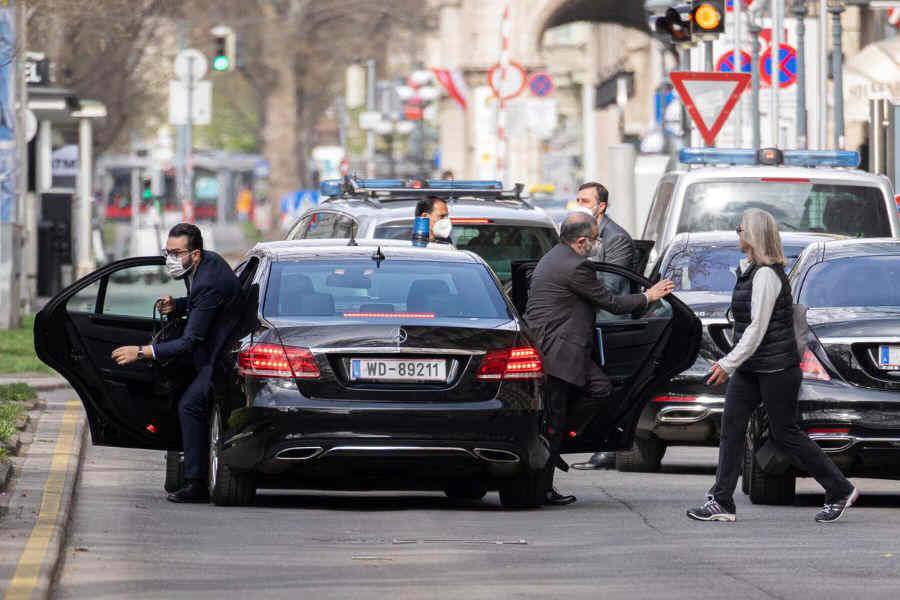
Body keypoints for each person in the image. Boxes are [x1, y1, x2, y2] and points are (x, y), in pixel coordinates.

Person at [686, 209, 858, 523]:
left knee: (785, 433)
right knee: (731, 429)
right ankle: (721, 501)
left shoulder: (766, 274)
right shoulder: (750, 270)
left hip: (777, 368)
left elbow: (757, 328)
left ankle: (840, 489)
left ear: (752, 234)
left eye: (740, 229)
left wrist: (728, 363)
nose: (737, 234)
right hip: (753, 367)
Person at [525, 212, 674, 505]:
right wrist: (649, 296)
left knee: (596, 391)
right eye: (595, 239)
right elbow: (612, 303)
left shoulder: (553, 257)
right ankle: (546, 479)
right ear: (581, 241)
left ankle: (562, 440)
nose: (597, 244)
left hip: (557, 348)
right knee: (554, 422)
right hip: (558, 352)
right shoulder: (576, 266)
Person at [111, 223, 242, 504]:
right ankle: (193, 469)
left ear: (195, 254)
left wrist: (142, 352)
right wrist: (178, 306)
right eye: (167, 252)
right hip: (210, 352)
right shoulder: (205, 265)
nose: (170, 258)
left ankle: (196, 484)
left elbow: (190, 341)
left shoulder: (208, 280)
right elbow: (202, 304)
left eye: (176, 253)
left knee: (190, 405)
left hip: (219, 360)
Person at [572, 181, 638, 471]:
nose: (579, 205)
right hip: (585, 321)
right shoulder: (578, 236)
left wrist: (576, 283)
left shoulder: (616, 238)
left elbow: (612, 286)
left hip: (609, 324)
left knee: (607, 386)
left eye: (585, 201)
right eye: (578, 200)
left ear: (601, 207)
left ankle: (607, 447)